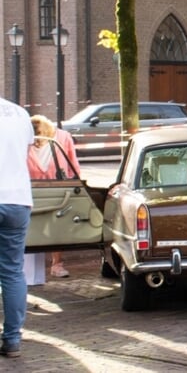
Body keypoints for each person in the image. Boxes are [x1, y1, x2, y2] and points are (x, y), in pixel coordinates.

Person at [0, 97, 34, 358]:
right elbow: (27, 152)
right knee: (12, 272)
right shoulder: (20, 113)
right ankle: (12, 340)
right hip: (17, 200)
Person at [27, 115, 80, 278]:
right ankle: (27, 269)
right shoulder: (25, 138)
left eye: (40, 138)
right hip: (30, 187)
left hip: (57, 187)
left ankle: (57, 264)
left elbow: (73, 162)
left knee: (57, 225)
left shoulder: (63, 137)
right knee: (31, 226)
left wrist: (76, 183)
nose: (37, 142)